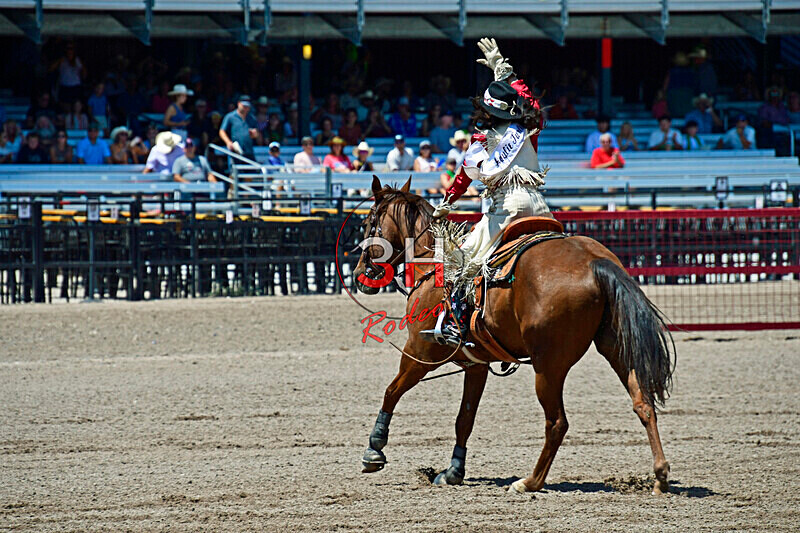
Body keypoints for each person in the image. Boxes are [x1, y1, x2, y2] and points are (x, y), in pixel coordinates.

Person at [422, 38, 552, 347]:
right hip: (540, 207)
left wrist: (446, 203)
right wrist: (503, 70)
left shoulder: (481, 141)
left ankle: (454, 323)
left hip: (505, 211)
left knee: (459, 263)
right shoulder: (529, 128)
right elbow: (530, 101)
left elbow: (463, 179)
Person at [219, 95, 259, 161]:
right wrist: (228, 142)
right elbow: (222, 131)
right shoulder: (230, 117)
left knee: (251, 170)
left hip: (249, 152)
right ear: (238, 104)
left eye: (247, 106)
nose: (246, 108)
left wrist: (254, 134)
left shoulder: (252, 118)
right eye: (244, 106)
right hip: (236, 151)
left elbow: (256, 135)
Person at [50, 42, 86, 107]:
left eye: (71, 48)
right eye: (68, 48)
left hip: (75, 86)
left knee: (76, 105)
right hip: (64, 86)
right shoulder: (62, 59)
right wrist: (59, 61)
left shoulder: (77, 60)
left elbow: (84, 72)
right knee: (64, 105)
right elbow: (50, 69)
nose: (70, 50)